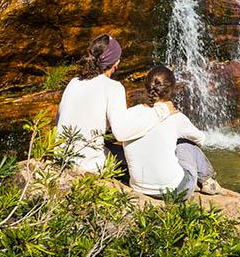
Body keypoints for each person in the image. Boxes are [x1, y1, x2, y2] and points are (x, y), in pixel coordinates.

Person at [56, 34, 169, 173]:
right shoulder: (113, 87)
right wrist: (161, 111)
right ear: (116, 64)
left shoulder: (73, 82)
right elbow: (121, 133)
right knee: (140, 156)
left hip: (62, 157)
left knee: (111, 147)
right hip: (88, 164)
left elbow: (60, 121)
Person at [122, 66, 222, 199]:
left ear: (146, 87)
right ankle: (208, 180)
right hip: (176, 191)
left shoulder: (130, 113)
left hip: (139, 187)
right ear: (171, 90)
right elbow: (201, 139)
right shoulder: (176, 117)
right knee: (185, 142)